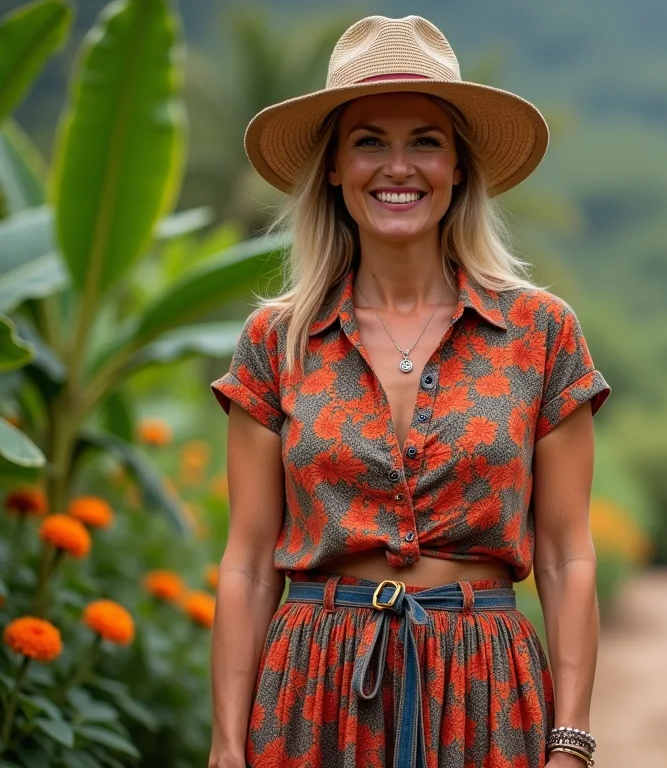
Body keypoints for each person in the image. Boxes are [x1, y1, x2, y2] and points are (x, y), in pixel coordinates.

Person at [206, 15, 608, 768]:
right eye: (369, 142)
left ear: (458, 167)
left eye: (425, 140)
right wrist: (228, 745)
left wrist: (572, 741)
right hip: (312, 690)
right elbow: (249, 561)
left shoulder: (539, 332)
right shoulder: (276, 340)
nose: (399, 167)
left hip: (486, 687)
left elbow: (565, 554)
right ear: (332, 167)